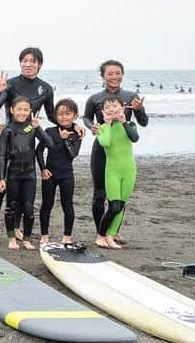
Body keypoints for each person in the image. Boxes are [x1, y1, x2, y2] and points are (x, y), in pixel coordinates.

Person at [0, 47, 74, 243]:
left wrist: (73, 126)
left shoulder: (46, 89)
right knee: (1, 188)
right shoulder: (9, 84)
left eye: (32, 61)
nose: (28, 64)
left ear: (39, 64)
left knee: (22, 190)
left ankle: (16, 227)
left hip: (27, 140)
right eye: (24, 60)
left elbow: (52, 116)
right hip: (8, 138)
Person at [82, 60, 148, 242]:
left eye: (117, 73)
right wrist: (92, 126)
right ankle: (100, 232)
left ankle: (113, 231)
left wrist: (139, 110)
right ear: (103, 76)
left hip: (121, 151)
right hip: (102, 149)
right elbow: (86, 117)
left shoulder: (131, 96)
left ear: (122, 74)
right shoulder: (95, 98)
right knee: (100, 194)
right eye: (110, 73)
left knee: (120, 196)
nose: (114, 77)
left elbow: (143, 122)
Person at [0, 97, 54, 250]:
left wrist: (38, 127)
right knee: (11, 206)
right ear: (12, 110)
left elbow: (49, 143)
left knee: (28, 208)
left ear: (30, 112)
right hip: (13, 174)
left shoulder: (32, 128)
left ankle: (27, 239)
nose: (22, 112)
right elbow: (1, 156)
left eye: (25, 110)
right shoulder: (8, 130)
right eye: (19, 109)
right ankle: (11, 239)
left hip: (29, 175)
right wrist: (0, 178)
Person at [36, 98, 82, 244]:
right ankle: (44, 236)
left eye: (68, 113)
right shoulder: (49, 131)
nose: (64, 117)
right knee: (46, 205)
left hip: (67, 174)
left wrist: (65, 140)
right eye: (60, 114)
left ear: (75, 115)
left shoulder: (77, 133)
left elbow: (72, 154)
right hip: (50, 174)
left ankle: (67, 237)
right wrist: (43, 169)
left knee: (67, 205)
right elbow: (39, 151)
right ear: (55, 116)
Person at [95, 97, 139, 249]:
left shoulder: (130, 125)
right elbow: (105, 142)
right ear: (103, 111)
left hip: (129, 171)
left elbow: (134, 138)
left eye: (115, 105)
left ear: (122, 107)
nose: (111, 109)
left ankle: (111, 235)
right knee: (114, 206)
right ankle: (100, 236)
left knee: (121, 205)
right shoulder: (101, 128)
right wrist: (106, 124)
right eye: (107, 107)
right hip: (112, 172)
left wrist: (124, 121)